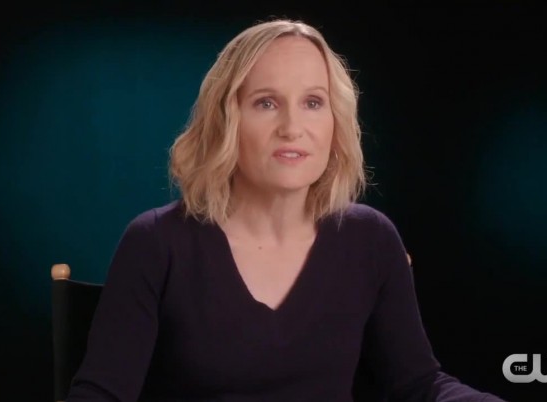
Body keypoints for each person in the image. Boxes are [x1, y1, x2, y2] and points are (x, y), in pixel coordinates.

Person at [66, 18, 507, 402]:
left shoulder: (371, 239)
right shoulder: (156, 242)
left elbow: (420, 386)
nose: (292, 128)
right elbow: (102, 394)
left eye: (313, 103)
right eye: (267, 103)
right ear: (226, 121)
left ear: (335, 121)